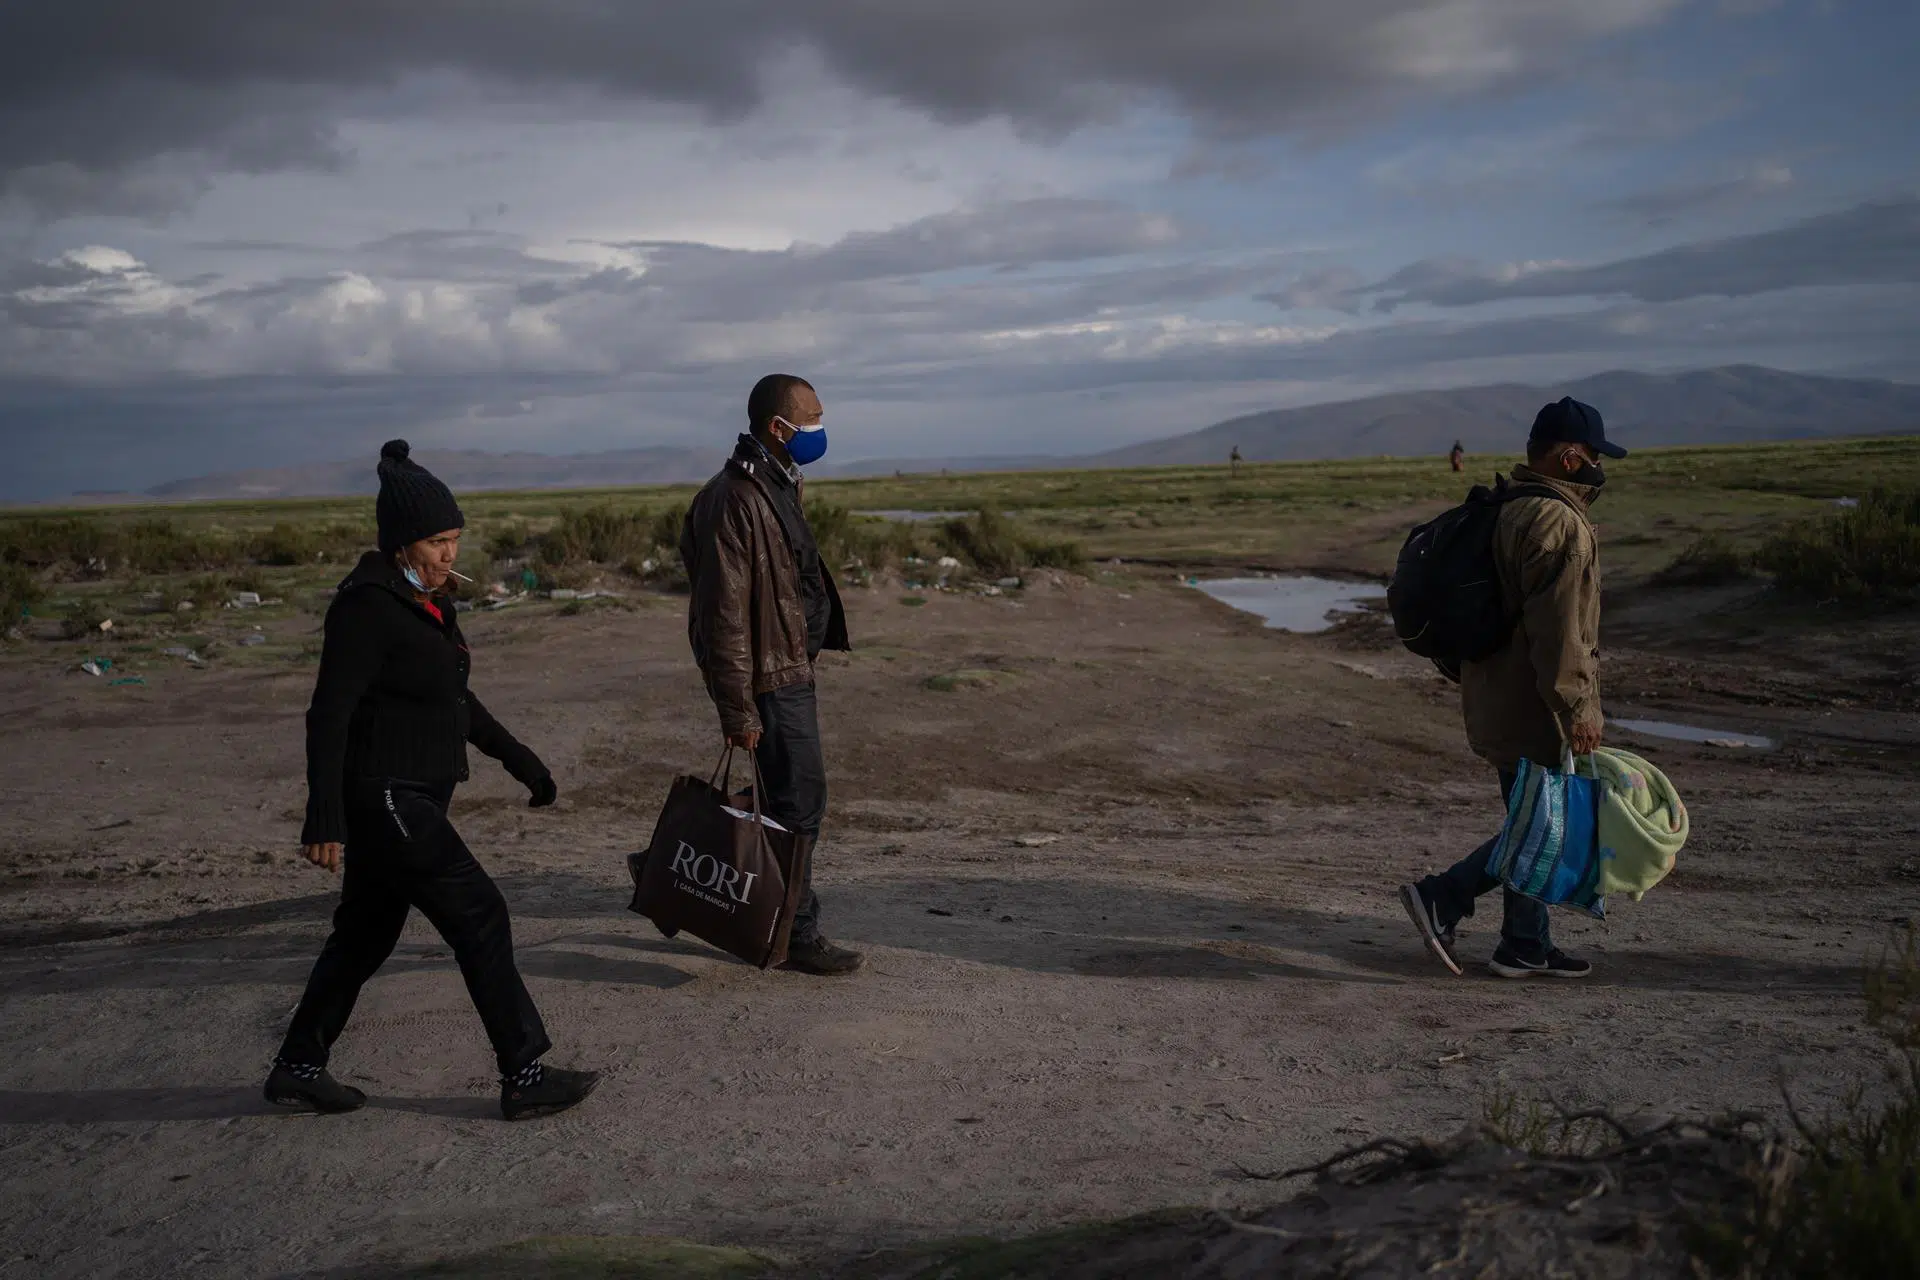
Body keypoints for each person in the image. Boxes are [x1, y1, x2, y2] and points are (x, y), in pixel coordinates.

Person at [265, 440, 598, 1120]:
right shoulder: (366, 607)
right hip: (386, 795)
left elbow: (452, 701)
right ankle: (525, 1074)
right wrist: (322, 815)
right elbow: (328, 714)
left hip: (415, 790)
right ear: (400, 543)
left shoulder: (432, 603)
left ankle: (300, 1064)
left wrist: (518, 757)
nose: (449, 554)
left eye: (454, 539)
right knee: (479, 913)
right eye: (435, 541)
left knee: (364, 935)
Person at [1399, 397, 1625, 980]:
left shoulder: (1509, 507)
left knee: (1534, 817)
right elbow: (1560, 633)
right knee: (1538, 825)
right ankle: (1444, 895)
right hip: (1534, 704)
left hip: (1497, 691)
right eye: (1595, 455)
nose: (1601, 465)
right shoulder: (1556, 522)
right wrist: (1579, 708)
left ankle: (1524, 942)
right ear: (1571, 456)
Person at [681, 374, 861, 976]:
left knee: (789, 800)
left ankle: (783, 919)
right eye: (810, 418)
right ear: (776, 427)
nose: (819, 427)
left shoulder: (776, 484)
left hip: (790, 667)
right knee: (800, 801)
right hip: (770, 679)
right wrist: (737, 708)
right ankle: (797, 931)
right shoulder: (734, 498)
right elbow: (723, 615)